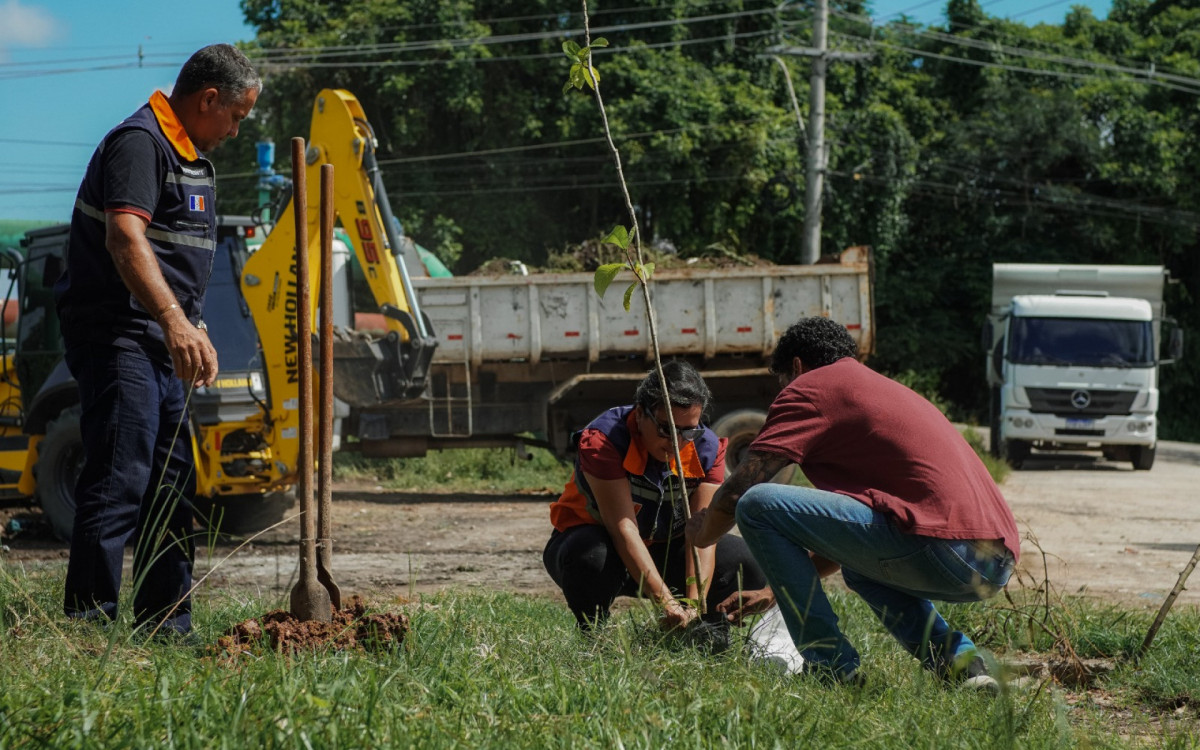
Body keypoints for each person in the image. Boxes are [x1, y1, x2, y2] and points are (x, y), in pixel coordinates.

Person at [688, 317, 1019, 689]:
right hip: (991, 561)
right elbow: (855, 541)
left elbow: (737, 492)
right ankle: (964, 668)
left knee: (757, 503)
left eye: (781, 383)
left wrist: (702, 535)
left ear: (796, 367)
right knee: (861, 570)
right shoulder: (876, 391)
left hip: (946, 548)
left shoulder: (812, 386)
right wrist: (772, 590)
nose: (781, 393)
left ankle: (830, 665)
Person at [55, 44, 260, 637]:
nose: (237, 130)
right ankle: (88, 629)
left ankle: (166, 626)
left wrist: (191, 326)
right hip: (119, 335)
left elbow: (175, 261)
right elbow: (126, 238)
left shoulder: (191, 158)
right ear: (209, 99)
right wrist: (174, 319)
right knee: (121, 476)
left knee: (173, 485)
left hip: (163, 339)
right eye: (237, 116)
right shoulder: (140, 143)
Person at [543, 360, 767, 638]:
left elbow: (703, 535)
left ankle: (704, 633)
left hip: (664, 550)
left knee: (748, 563)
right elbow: (622, 528)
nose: (677, 442)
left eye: (689, 431)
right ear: (640, 414)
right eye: (666, 429)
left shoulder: (706, 448)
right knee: (590, 555)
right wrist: (667, 602)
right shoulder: (604, 441)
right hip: (605, 548)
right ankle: (595, 636)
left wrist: (693, 604)